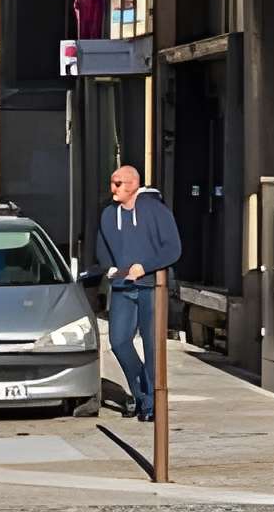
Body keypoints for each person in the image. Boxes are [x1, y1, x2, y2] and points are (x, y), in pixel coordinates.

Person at [92, 164, 181, 423]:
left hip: (152, 286)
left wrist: (146, 267)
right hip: (123, 286)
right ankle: (142, 394)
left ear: (133, 184)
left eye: (118, 183)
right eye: (112, 182)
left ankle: (152, 404)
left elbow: (173, 248)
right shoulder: (109, 214)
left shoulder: (156, 211)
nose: (113, 188)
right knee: (119, 341)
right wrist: (111, 269)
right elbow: (102, 248)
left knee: (153, 345)